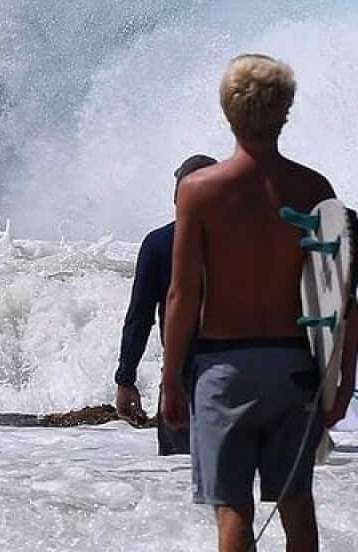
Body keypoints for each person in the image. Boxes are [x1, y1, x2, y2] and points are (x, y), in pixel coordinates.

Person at [161, 54, 357, 552]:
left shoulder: (199, 192)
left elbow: (182, 294)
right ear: (285, 111)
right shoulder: (315, 189)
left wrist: (170, 379)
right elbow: (341, 298)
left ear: (227, 110)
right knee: (296, 505)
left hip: (225, 370)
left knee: (233, 509)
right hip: (296, 369)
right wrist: (343, 380)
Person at [113, 153, 217, 455]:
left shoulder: (158, 244)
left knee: (178, 480)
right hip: (241, 379)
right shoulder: (246, 242)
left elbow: (140, 318)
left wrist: (125, 379)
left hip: (181, 382)